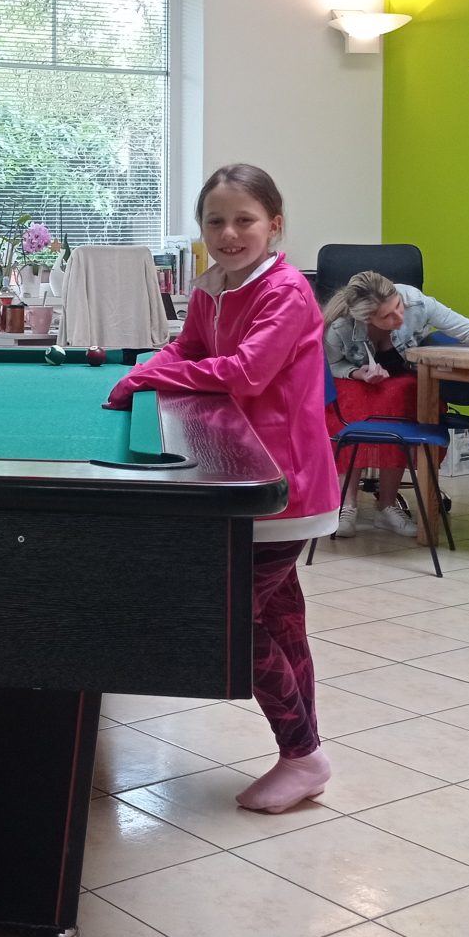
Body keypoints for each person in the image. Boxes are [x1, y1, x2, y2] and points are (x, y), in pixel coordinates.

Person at [104, 164, 340, 814]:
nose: (230, 233)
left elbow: (246, 372)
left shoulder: (286, 291)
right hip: (241, 474)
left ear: (275, 225)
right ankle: (305, 756)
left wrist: (151, 379)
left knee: (228, 618)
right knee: (281, 621)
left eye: (245, 220)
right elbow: (186, 348)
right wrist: (148, 368)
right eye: (216, 221)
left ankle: (304, 756)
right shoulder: (213, 286)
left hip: (282, 485)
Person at [322, 271, 469, 536]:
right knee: (353, 401)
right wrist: (357, 373)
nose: (398, 317)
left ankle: (387, 504)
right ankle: (347, 505)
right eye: (386, 317)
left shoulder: (416, 302)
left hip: (400, 380)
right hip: (356, 382)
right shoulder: (340, 327)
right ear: (367, 319)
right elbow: (332, 364)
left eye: (398, 306)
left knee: (403, 395)